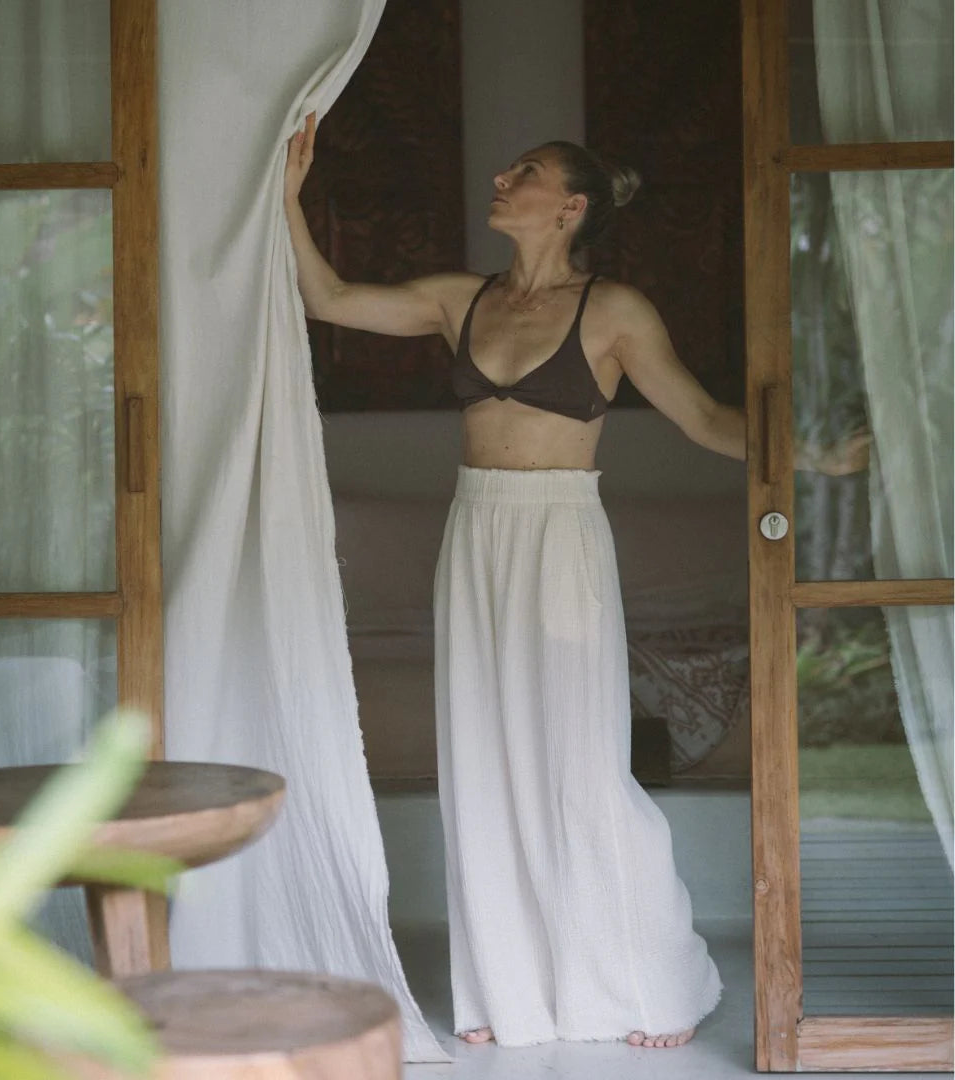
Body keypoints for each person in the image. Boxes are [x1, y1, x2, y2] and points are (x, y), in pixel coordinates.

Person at [282, 112, 858, 1051]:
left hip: (561, 536)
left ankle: (650, 983)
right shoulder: (459, 299)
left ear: (571, 207)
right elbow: (330, 295)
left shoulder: (615, 310)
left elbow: (705, 418)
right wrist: (288, 195)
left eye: (528, 171)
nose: (503, 178)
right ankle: (506, 991)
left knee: (580, 764)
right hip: (475, 530)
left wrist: (813, 457)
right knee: (481, 758)